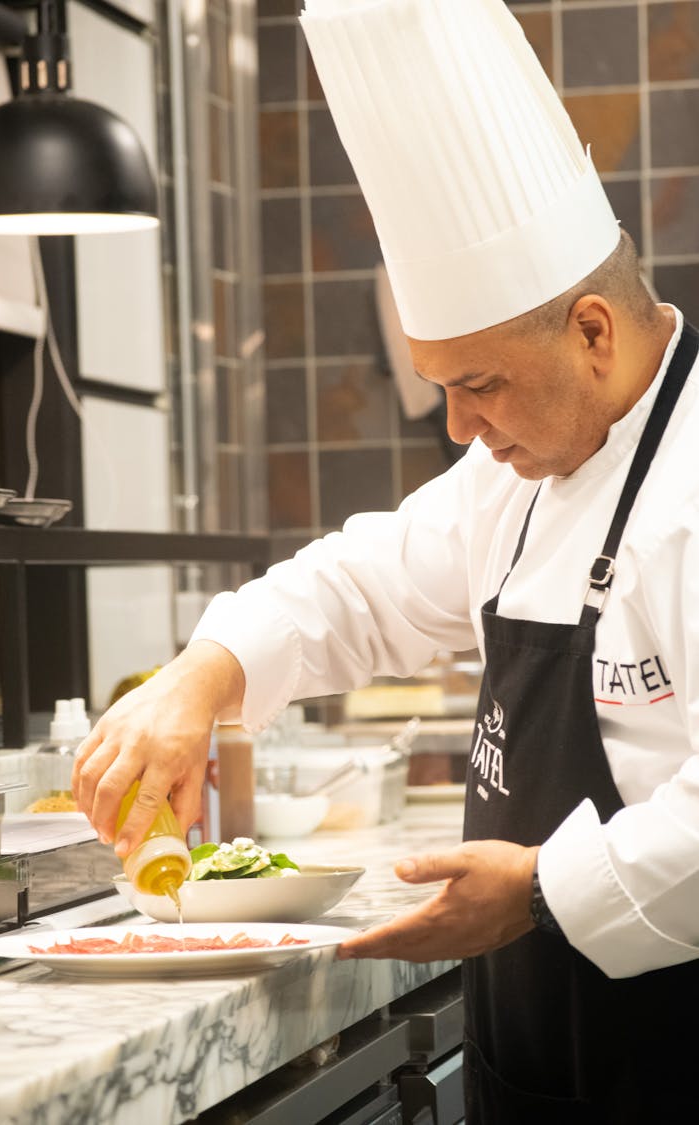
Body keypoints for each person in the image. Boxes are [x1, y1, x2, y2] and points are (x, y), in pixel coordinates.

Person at [73, 0, 699, 1120]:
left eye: (481, 383)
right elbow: (361, 583)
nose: (459, 427)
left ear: (594, 333)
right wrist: (199, 674)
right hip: (537, 1060)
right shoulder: (516, 467)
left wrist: (544, 890)